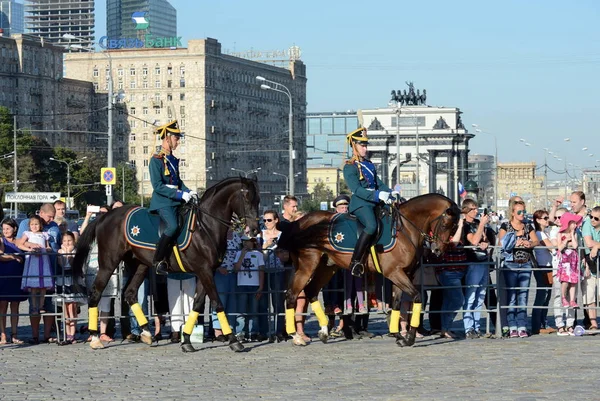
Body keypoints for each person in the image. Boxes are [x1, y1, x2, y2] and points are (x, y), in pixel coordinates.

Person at [343, 127, 397, 277]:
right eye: (362, 145)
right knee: (372, 225)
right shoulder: (349, 167)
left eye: (366, 145)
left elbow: (378, 183)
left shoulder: (369, 164)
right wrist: (378, 195)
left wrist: (391, 192)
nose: (365, 148)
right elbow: (357, 190)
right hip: (361, 204)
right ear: (354, 146)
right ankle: (356, 262)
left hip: (375, 202)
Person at [149, 120, 195, 275]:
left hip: (175, 201)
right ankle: (158, 260)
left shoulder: (173, 159)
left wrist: (189, 191)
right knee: (173, 226)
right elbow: (158, 186)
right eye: (176, 138)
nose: (178, 141)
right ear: (167, 138)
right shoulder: (155, 160)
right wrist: (180, 194)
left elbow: (178, 181)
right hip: (163, 202)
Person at [17, 203, 60, 344]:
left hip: (49, 270)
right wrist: (32, 246)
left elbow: (57, 244)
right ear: (41, 213)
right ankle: (35, 335)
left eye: (53, 217)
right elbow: (20, 241)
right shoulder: (26, 223)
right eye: (49, 216)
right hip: (34, 268)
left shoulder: (54, 226)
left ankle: (47, 335)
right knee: (34, 303)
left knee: (49, 304)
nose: (51, 219)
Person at [498, 199, 538, 338]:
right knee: (512, 296)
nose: (522, 214)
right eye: (519, 212)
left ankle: (522, 325)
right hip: (511, 264)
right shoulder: (506, 226)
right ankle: (512, 325)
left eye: (524, 211)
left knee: (523, 295)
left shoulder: (528, 226)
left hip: (525, 263)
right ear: (513, 213)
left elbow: (536, 241)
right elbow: (501, 243)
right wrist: (515, 241)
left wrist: (529, 243)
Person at [461, 198, 490, 339]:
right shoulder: (465, 225)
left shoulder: (479, 223)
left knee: (481, 295)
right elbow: (473, 240)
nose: (476, 211)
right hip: (472, 261)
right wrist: (481, 226)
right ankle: (468, 327)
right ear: (466, 210)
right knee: (471, 295)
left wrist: (486, 243)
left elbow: (484, 239)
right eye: (473, 209)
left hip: (483, 260)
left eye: (476, 208)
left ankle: (477, 325)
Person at [437, 214, 467, 339]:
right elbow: (453, 243)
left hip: (459, 271)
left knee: (449, 301)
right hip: (448, 271)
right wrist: (460, 226)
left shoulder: (460, 231)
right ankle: (445, 327)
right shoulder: (445, 232)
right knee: (458, 301)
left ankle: (445, 328)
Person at [18, 216, 53, 316]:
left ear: (40, 225)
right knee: (33, 287)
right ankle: (34, 306)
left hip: (43, 261)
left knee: (43, 287)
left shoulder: (44, 235)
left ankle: (41, 305)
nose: (34, 226)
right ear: (29, 225)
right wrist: (30, 250)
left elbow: (48, 246)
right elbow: (20, 244)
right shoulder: (27, 234)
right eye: (32, 224)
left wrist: (48, 250)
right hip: (33, 262)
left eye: (36, 224)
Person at [260, 211, 287, 342]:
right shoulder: (260, 234)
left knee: (278, 302)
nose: (266, 223)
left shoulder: (282, 235)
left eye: (269, 220)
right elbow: (257, 255)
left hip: (278, 271)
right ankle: (264, 331)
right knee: (263, 302)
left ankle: (279, 331)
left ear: (276, 220)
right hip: (262, 272)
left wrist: (280, 253)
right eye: (264, 220)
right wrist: (265, 246)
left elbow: (287, 256)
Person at [210, 227, 241, 342]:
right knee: (219, 299)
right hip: (220, 272)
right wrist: (218, 267)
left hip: (233, 272)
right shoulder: (217, 234)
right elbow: (211, 253)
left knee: (232, 300)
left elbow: (240, 252)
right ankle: (218, 330)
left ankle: (230, 327)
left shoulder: (237, 236)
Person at [56, 231, 85, 344]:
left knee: (72, 308)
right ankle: (67, 333)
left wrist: (70, 252)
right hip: (63, 280)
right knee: (65, 308)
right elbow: (62, 264)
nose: (67, 243)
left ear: (74, 241)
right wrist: (65, 252)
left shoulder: (76, 251)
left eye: (69, 241)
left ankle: (72, 333)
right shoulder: (59, 252)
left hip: (73, 280)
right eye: (64, 241)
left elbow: (73, 263)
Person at [234, 235, 265, 342]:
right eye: (245, 241)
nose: (247, 243)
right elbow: (236, 269)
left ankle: (253, 332)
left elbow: (261, 270)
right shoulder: (238, 254)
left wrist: (261, 287)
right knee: (241, 311)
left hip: (255, 285)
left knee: (254, 311)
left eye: (249, 241)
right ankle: (240, 332)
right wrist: (242, 254)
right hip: (242, 285)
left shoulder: (258, 255)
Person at [0, 218, 26, 345]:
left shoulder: (20, 241)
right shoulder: (1, 241)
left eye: (8, 228)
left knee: (15, 307)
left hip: (17, 277)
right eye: (4, 228)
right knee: (3, 307)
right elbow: (0, 255)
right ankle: (3, 335)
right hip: (4, 277)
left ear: (14, 229)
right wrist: (12, 256)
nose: (5, 231)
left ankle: (14, 334)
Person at [531, 210, 555, 335]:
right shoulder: (539, 234)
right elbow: (551, 247)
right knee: (542, 296)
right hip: (542, 267)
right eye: (545, 218)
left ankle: (543, 323)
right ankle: (537, 325)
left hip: (548, 266)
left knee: (547, 296)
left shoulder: (545, 232)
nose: (547, 220)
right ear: (538, 220)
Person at [557, 212, 582, 309]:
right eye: (573, 223)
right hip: (565, 260)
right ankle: (563, 297)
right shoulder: (560, 233)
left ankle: (572, 300)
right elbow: (560, 247)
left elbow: (575, 246)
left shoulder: (574, 233)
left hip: (573, 259)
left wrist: (571, 235)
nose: (575, 225)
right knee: (565, 280)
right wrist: (566, 241)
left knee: (573, 281)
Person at [581, 206, 600, 330]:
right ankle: (593, 324)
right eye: (591, 216)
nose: (592, 219)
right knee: (589, 295)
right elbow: (588, 242)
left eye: (596, 218)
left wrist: (597, 246)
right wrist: (595, 246)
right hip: (588, 265)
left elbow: (592, 244)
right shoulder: (587, 223)